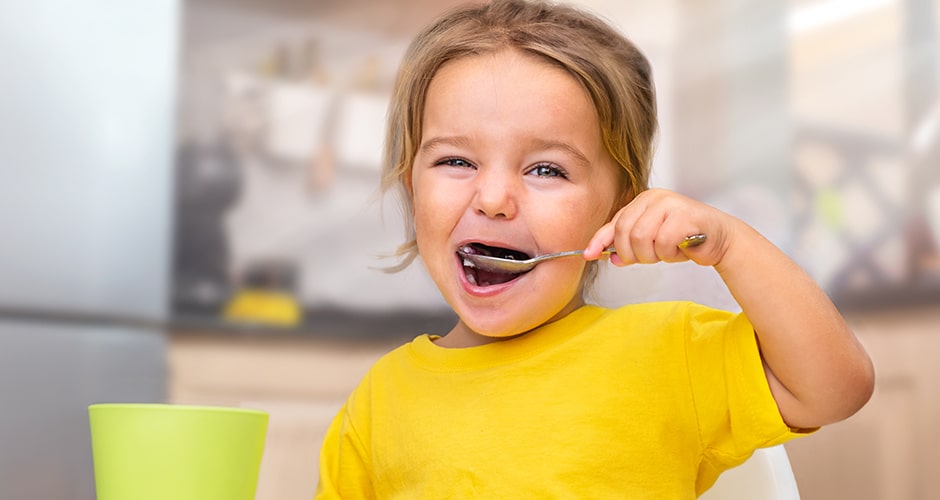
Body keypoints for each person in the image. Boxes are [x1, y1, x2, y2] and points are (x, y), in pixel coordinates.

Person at [315, 0, 875, 497]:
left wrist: (730, 243)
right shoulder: (378, 401)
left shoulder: (668, 355)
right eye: (455, 161)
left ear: (618, 209)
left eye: (546, 169)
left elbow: (836, 388)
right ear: (412, 186)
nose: (492, 198)